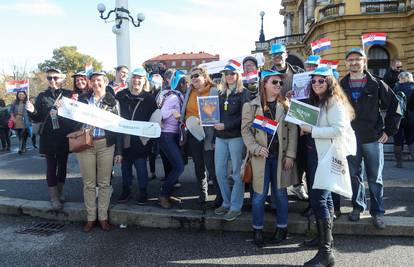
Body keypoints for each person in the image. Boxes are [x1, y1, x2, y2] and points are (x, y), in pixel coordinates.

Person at [300, 66, 356, 267]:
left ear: (330, 82)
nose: (316, 84)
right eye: (313, 81)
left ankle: (326, 253)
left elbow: (338, 130)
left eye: (321, 80)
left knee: (319, 200)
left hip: (326, 156)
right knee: (325, 199)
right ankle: (326, 240)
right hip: (317, 154)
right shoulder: (321, 100)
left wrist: (311, 130)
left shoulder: (335, 102)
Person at [340, 48, 400, 229]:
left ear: (364, 62)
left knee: (375, 178)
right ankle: (358, 207)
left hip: (373, 138)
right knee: (354, 176)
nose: (354, 63)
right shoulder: (340, 85)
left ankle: (378, 212)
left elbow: (395, 105)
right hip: (350, 139)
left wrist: (389, 131)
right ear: (346, 63)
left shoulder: (377, 84)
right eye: (350, 60)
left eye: (357, 59)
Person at [241, 70, 298, 247]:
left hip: (281, 158)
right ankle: (257, 230)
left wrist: (290, 154)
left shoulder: (286, 105)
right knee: (258, 196)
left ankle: (282, 228)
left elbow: (293, 130)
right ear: (264, 84)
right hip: (260, 159)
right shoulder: (251, 106)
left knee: (280, 194)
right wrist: (256, 148)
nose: (278, 86)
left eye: (280, 83)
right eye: (274, 82)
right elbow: (245, 130)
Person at [73, 71, 122, 232]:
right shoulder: (82, 100)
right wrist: (63, 109)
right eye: (93, 80)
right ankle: (90, 218)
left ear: (105, 82)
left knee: (104, 183)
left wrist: (119, 151)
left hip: (105, 145)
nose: (96, 83)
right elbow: (72, 121)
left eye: (99, 80)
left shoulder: (113, 101)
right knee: (88, 183)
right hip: (86, 144)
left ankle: (103, 217)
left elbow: (118, 127)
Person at [26, 68, 73, 210]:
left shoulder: (68, 94)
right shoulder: (42, 96)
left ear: (61, 78)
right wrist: (32, 111)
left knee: (63, 167)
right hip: (48, 137)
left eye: (55, 77)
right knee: (51, 167)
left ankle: (60, 192)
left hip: (64, 136)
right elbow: (38, 117)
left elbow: (74, 113)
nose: (52, 80)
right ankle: (54, 197)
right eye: (49, 78)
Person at [269, 43, 308, 202]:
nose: (277, 56)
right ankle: (277, 190)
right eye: (274, 54)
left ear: (286, 54)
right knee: (277, 155)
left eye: (280, 53)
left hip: (297, 118)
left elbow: (307, 93)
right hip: (275, 117)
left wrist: (296, 96)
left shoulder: (298, 72)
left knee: (299, 154)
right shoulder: (266, 74)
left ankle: (298, 185)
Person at [116, 67, 159, 204]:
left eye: (140, 78)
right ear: (130, 79)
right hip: (124, 137)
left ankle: (143, 191)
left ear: (144, 80)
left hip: (141, 139)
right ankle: (126, 189)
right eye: (134, 77)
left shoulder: (149, 99)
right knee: (125, 166)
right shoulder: (121, 95)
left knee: (141, 166)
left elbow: (155, 118)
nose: (136, 80)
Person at [213, 62, 249, 221]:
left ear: (238, 75)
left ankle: (235, 207)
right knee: (219, 172)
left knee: (236, 173)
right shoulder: (220, 93)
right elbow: (212, 113)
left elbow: (245, 117)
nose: (229, 76)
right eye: (226, 74)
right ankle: (226, 203)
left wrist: (226, 125)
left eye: (232, 73)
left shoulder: (243, 93)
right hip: (220, 138)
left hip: (236, 137)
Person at [181, 67, 218, 210]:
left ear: (204, 76)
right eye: (191, 77)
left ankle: (219, 196)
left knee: (212, 167)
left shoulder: (213, 90)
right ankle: (202, 194)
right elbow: (185, 110)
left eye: (196, 75)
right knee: (198, 166)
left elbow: (216, 115)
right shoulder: (190, 91)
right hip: (193, 133)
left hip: (209, 135)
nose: (193, 79)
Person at [157, 70, 186, 208]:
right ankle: (163, 195)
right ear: (179, 83)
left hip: (172, 134)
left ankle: (168, 194)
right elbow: (161, 113)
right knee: (179, 167)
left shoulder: (178, 95)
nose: (187, 84)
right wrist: (173, 112)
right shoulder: (174, 96)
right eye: (184, 82)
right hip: (166, 135)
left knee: (171, 167)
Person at [393, 71, 414, 166]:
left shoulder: (396, 88)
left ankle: (399, 163)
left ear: (401, 78)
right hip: (412, 118)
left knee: (398, 140)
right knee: (412, 140)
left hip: (398, 118)